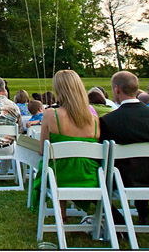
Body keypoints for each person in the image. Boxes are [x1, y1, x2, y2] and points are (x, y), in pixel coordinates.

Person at [99, 71, 149, 225]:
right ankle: (143, 211)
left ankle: (116, 217)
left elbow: (105, 156)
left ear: (116, 89)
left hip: (123, 180)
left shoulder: (108, 121)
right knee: (144, 163)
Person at [30, 70, 100, 212]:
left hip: (59, 176)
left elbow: (43, 150)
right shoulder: (95, 120)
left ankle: (62, 215)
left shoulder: (51, 114)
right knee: (67, 163)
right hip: (89, 177)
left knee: (57, 163)